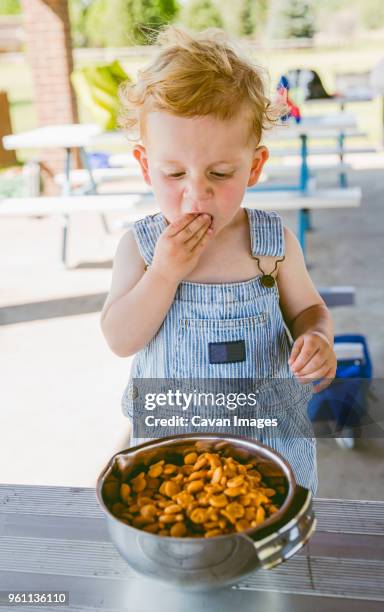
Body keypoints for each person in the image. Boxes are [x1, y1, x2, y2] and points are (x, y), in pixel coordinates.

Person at [100, 26, 337, 495]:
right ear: (147, 166)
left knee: (274, 558)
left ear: (254, 165)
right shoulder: (142, 248)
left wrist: (317, 339)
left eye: (221, 173)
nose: (196, 192)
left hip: (271, 454)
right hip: (174, 458)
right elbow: (120, 338)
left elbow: (310, 311)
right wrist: (165, 273)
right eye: (173, 173)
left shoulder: (273, 243)